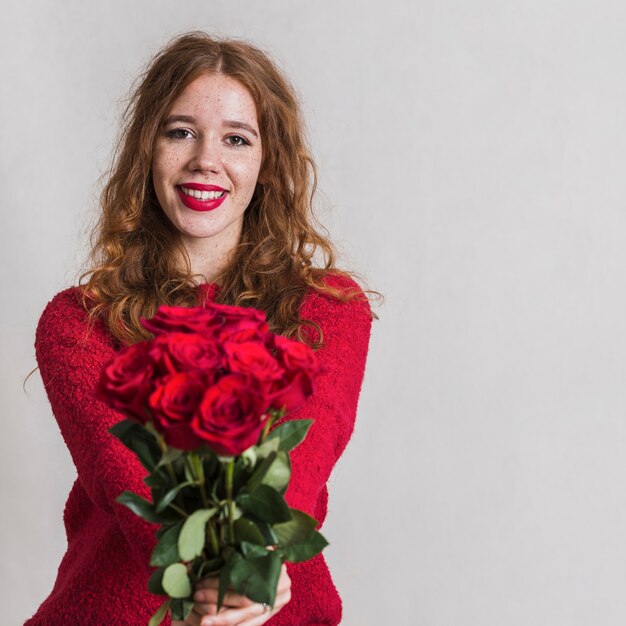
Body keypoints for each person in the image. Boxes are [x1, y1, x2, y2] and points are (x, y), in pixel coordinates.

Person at [26, 32, 372, 626]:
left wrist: (250, 565)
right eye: (180, 131)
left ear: (268, 164)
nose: (205, 159)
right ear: (148, 149)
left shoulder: (328, 309)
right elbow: (125, 479)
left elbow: (307, 452)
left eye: (236, 138)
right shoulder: (79, 323)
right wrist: (213, 577)